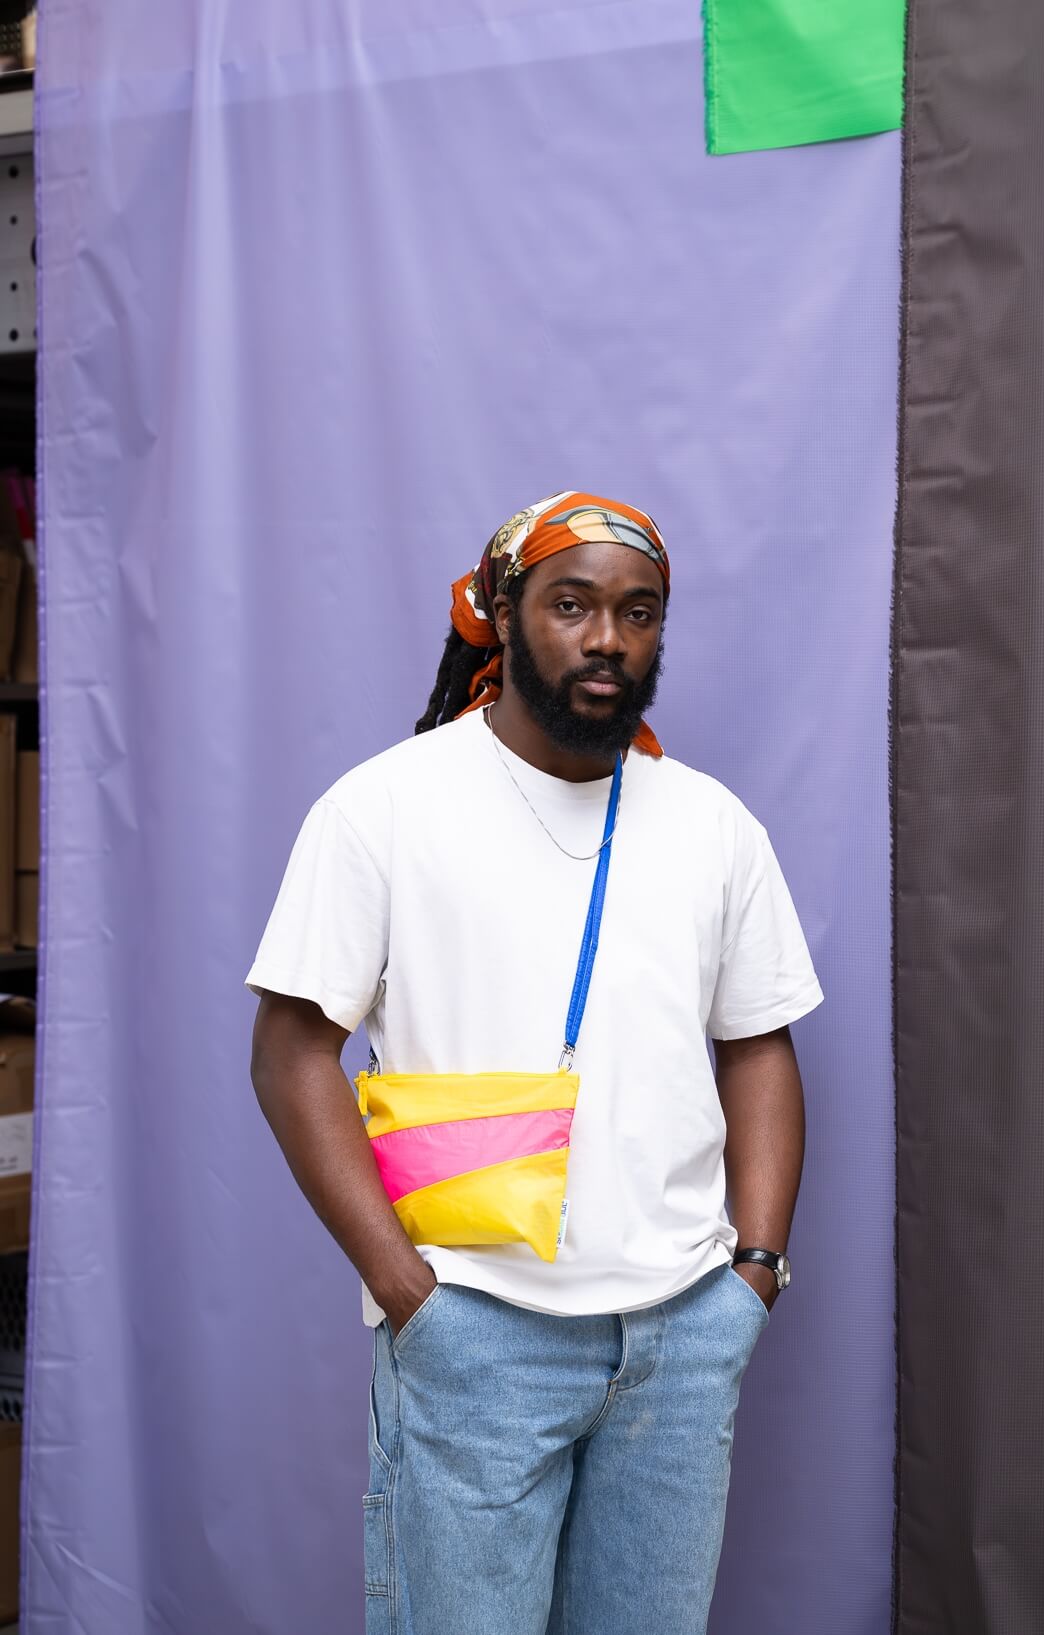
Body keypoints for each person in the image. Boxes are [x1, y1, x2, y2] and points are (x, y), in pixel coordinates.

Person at [246, 490, 823, 1635]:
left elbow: (759, 1044)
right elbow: (291, 1055)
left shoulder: (713, 826)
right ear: (503, 614)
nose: (607, 638)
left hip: (681, 1336)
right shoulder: (384, 808)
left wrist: (751, 1275)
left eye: (638, 613)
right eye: (572, 605)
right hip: (476, 1328)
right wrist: (412, 1296)